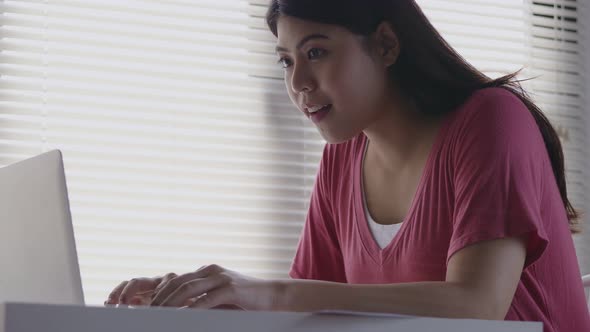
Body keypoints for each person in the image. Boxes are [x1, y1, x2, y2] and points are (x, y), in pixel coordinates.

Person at [105, 1, 590, 331]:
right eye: (286, 61)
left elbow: (477, 307)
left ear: (385, 44)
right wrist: (204, 299)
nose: (298, 82)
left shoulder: (491, 120)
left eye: (316, 52)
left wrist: (267, 293)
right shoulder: (342, 159)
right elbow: (313, 301)